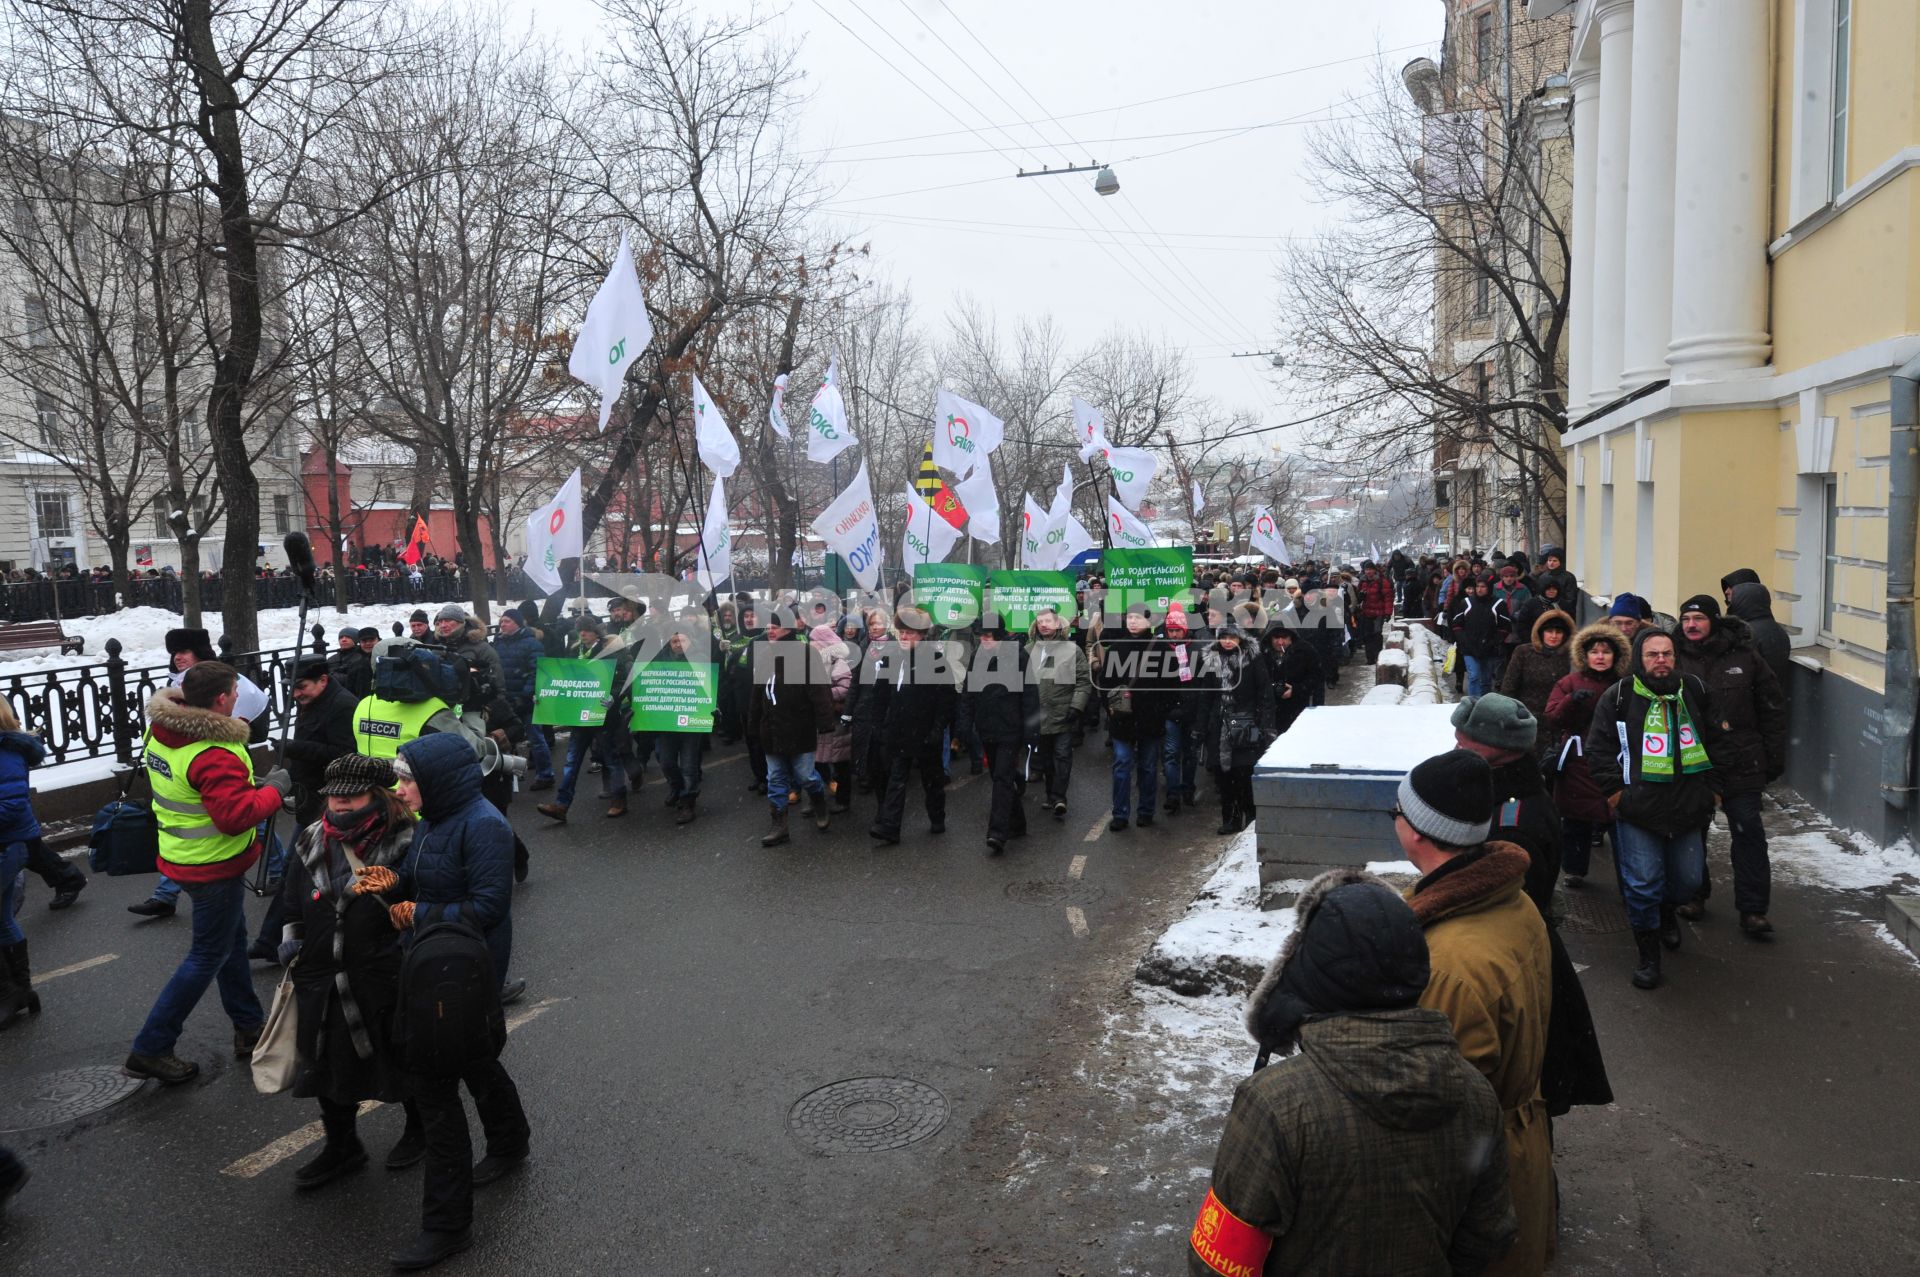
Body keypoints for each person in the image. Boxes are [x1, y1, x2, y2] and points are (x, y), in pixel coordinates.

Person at [1193, 867, 1515, 1276]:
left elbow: (1221, 1264)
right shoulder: (1474, 1092)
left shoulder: (1275, 1105)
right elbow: (1489, 1234)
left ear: (1309, 976)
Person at [365, 734, 530, 1272]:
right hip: (438, 963)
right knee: (477, 1060)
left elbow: (488, 906)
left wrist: (418, 913)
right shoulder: (437, 816)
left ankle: (447, 1226)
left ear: (438, 781)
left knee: (436, 1089)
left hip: (464, 970)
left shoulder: (484, 825)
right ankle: (511, 1142)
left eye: (408, 778)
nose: (400, 788)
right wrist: (395, 881)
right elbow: (426, 873)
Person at [1393, 749, 1555, 1277]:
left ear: (1418, 831)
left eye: (1395, 811)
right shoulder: (1511, 899)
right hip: (1516, 1154)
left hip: (1474, 1188)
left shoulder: (1448, 965)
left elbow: (1434, 1115)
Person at [124, 663, 290, 1085]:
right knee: (206, 955)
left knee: (229, 942)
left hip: (182, 857)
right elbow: (235, 817)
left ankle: (249, 1026)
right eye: (235, 690)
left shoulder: (163, 730)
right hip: (212, 865)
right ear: (221, 699)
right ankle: (152, 1045)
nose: (238, 697)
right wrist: (274, 789)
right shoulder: (214, 750)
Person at [276, 754, 426, 1189]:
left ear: (377, 797)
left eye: (351, 797)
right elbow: (291, 900)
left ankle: (418, 1128)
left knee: (395, 1056)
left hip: (383, 974)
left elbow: (419, 900)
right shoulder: (310, 839)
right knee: (324, 1064)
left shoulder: (408, 840)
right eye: (333, 798)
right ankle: (342, 1146)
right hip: (320, 976)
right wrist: (293, 942)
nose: (339, 806)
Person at [1584, 629, 1723, 989]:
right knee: (1643, 883)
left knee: (1688, 881)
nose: (1660, 660)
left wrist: (1714, 791)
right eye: (1652, 654)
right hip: (1638, 809)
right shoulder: (1619, 697)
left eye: (1666, 653)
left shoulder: (1694, 690)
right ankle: (1649, 956)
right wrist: (1617, 794)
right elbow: (1598, 749)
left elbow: (1721, 742)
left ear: (1675, 657)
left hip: (1688, 806)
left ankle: (1665, 912)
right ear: (1638, 659)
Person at [1673, 594, 1788, 936]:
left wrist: (1773, 758)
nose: (1691, 625)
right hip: (1693, 762)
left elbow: (1771, 707)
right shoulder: (1672, 656)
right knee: (1692, 832)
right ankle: (1694, 894)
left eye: (1699, 619)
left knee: (1748, 831)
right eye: (1686, 619)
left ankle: (1753, 910)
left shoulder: (1745, 657)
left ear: (1714, 621)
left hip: (1742, 760)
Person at [247, 656, 359, 964]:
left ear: (323, 680)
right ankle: (287, 939)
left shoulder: (342, 705)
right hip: (309, 798)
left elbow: (343, 755)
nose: (296, 694)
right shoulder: (313, 700)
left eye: (301, 687)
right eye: (292, 689)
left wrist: (293, 749)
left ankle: (275, 941)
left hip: (328, 803)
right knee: (301, 875)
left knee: (296, 873)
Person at [1545, 624, 1631, 888]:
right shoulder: (1569, 682)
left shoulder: (1625, 685)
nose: (1601, 657)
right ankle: (1574, 869)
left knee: (1619, 819)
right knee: (1575, 819)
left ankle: (1628, 877)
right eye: (1595, 651)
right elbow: (1553, 717)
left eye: (1606, 652)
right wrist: (1572, 701)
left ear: (1616, 656)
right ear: (1585, 656)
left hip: (1616, 760)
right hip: (1578, 760)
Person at [744, 610, 834, 846]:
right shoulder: (766, 656)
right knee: (775, 778)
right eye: (769, 626)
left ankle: (818, 799)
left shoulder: (806, 654)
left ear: (788, 629)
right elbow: (757, 693)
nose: (770, 630)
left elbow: (819, 690)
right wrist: (752, 724)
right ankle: (779, 825)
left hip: (799, 726)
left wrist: (825, 722)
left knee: (806, 775)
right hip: (771, 728)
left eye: (775, 626)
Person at [868, 608, 957, 845]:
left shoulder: (936, 661)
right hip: (898, 732)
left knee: (932, 781)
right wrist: (878, 725)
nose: (904, 637)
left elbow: (947, 700)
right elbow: (880, 695)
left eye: (909, 633)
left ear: (921, 635)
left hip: (926, 733)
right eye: (901, 632)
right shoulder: (891, 657)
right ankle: (890, 827)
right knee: (896, 779)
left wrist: (938, 730)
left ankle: (937, 816)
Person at [535, 614, 631, 823]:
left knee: (610, 758)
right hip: (580, 715)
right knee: (572, 761)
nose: (583, 634)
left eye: (586, 630)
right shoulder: (574, 650)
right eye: (580, 630)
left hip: (603, 715)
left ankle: (619, 799)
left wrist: (614, 697)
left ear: (596, 631)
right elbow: (562, 677)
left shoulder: (612, 651)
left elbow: (626, 678)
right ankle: (561, 805)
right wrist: (543, 693)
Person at [1099, 605, 1172, 832]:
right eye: (1129, 618)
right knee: (1122, 764)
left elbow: (1171, 685)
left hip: (1151, 718)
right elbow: (1104, 682)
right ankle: (1120, 813)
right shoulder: (1117, 648)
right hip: (1123, 718)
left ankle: (1146, 811)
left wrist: (1161, 709)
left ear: (1149, 622)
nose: (1132, 622)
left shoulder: (1161, 649)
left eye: (1138, 618)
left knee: (1148, 767)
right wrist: (1110, 707)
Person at [967, 623, 1038, 854]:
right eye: (981, 637)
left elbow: (1030, 694)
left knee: (1001, 777)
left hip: (1011, 728)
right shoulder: (977, 656)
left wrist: (1030, 730)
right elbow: (969, 692)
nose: (984, 641)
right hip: (987, 727)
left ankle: (997, 832)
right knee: (1000, 777)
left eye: (989, 636)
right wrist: (965, 723)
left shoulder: (1017, 655)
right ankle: (1018, 823)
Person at [1200, 623, 1273, 836]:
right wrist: (1200, 727)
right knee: (1223, 776)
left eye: (1232, 637)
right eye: (1224, 637)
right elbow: (1206, 695)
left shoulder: (1253, 659)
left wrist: (1266, 724)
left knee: (1244, 773)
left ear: (1240, 638)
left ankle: (1250, 817)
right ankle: (1230, 819)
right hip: (1219, 725)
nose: (1228, 641)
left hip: (1246, 723)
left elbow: (1264, 693)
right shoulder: (1212, 660)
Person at [0, 708, 47, 1024]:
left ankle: (9, 993)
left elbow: (13, 805)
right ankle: (21, 991)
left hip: (8, 844)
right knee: (2, 917)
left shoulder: (6, 752)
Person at [1025, 609, 1090, 819]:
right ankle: (1051, 794)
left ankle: (1060, 797)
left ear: (1057, 625)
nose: (1044, 625)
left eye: (1048, 621)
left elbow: (1082, 680)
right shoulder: (1027, 651)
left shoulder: (1072, 650)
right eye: (1040, 622)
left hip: (1063, 714)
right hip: (1038, 717)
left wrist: (1076, 707)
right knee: (1046, 759)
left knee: (1062, 756)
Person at [492, 609, 553, 789]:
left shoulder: (531, 643)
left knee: (535, 738)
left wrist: (526, 694)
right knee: (507, 739)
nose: (503, 625)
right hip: (505, 698)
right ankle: (513, 775)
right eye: (501, 621)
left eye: (507, 621)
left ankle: (546, 775)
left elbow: (537, 671)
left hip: (525, 699)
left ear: (518, 623)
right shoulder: (498, 642)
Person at [1158, 604, 1207, 815]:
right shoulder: (1159, 650)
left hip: (1191, 712)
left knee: (1189, 754)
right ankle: (1173, 794)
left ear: (1185, 630)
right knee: (1170, 754)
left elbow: (1203, 683)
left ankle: (1188, 788)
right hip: (1170, 712)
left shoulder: (1197, 649)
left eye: (1178, 630)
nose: (1175, 634)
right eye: (1171, 631)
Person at [1497, 608, 1576, 727]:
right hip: (1526, 718)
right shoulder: (1524, 652)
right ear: (1541, 632)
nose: (1554, 636)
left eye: (1558, 632)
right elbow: (1509, 686)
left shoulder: (1572, 657)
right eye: (1549, 631)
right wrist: (1510, 715)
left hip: (1559, 721)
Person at [809, 623, 857, 814]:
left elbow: (846, 688)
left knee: (840, 762)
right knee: (818, 761)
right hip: (821, 720)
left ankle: (843, 800)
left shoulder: (838, 663)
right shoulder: (814, 662)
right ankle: (817, 798)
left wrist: (823, 694)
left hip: (835, 721)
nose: (811, 644)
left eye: (814, 640)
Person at [1448, 575, 1508, 698]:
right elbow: (1457, 624)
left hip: (1490, 648)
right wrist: (1463, 640)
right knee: (1474, 676)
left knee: (1486, 680)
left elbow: (1505, 627)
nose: (1479, 589)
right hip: (1469, 648)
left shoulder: (1498, 604)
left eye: (1483, 587)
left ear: (1489, 588)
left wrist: (1494, 641)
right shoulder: (1466, 603)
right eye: (1477, 586)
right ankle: (1472, 703)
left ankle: (1483, 705)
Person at [1727, 581, 1792, 689]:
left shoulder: (1749, 634)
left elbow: (1738, 672)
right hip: (1773, 694)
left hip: (1752, 698)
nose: (1731, 605)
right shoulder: (1777, 629)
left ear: (1742, 602)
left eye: (1733, 601)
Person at [1260, 623, 1320, 736]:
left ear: (1291, 637)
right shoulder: (1262, 653)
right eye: (1276, 638)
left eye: (1284, 638)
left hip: (1299, 708)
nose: (1280, 642)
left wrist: (1296, 689)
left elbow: (1317, 677)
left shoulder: (1305, 651)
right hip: (1270, 711)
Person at [1355, 561, 1395, 663]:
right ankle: (1370, 658)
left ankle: (1378, 655)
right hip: (1366, 612)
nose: (1368, 572)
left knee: (1377, 634)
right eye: (1366, 570)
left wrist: (1388, 612)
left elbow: (1388, 598)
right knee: (1367, 635)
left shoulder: (1382, 581)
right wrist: (1361, 596)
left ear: (1374, 570)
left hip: (1379, 613)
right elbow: (1357, 599)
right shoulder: (1362, 582)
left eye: (1370, 569)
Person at [330, 627, 373, 699]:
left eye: (348, 637)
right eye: (341, 637)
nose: (343, 639)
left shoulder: (362, 656)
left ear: (356, 639)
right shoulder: (332, 658)